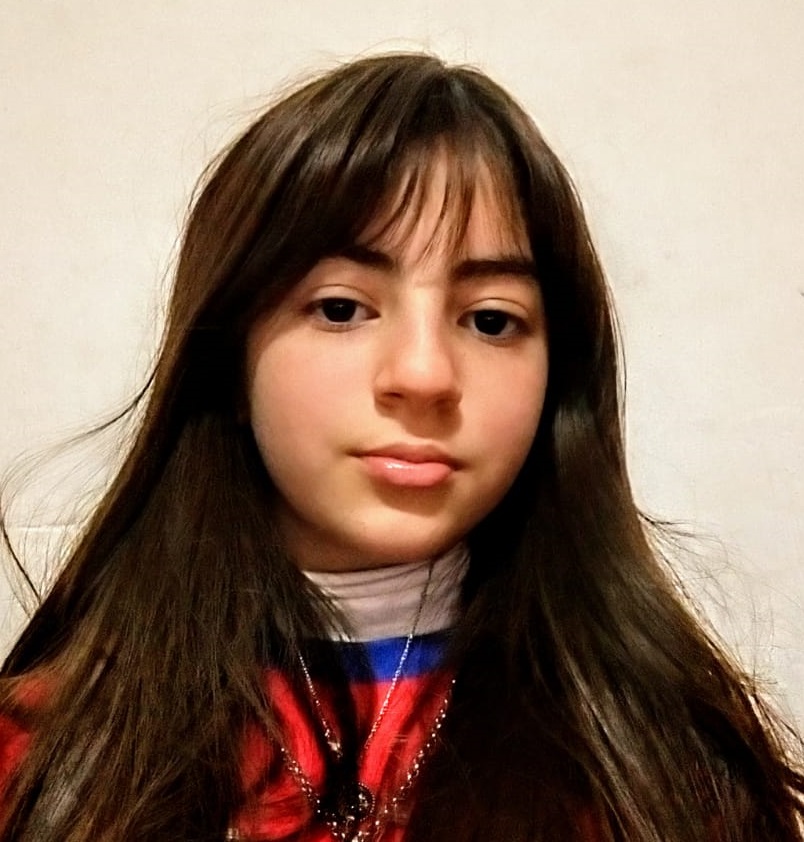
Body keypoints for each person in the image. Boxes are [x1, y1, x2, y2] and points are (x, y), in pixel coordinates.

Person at [0, 52, 801, 842]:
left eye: (491, 320)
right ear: (229, 357)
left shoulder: (668, 772)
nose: (424, 375)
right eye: (341, 308)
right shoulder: (48, 758)